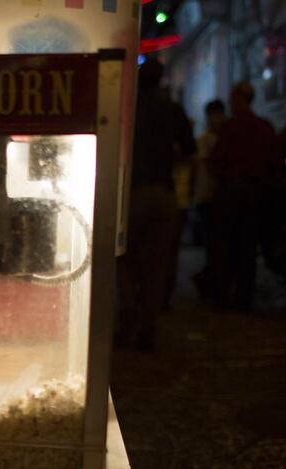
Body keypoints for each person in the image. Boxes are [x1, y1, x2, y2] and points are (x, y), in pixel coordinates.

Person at [117, 57, 196, 352]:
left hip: (131, 194)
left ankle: (127, 320)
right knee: (156, 264)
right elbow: (190, 150)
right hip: (164, 193)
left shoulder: (127, 110)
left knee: (125, 260)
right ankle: (149, 327)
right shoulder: (172, 109)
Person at [209, 82, 279, 310]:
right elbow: (273, 162)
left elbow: (217, 160)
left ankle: (223, 294)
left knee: (225, 244)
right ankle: (243, 297)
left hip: (232, 192)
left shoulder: (231, 128)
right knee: (247, 246)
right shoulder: (263, 127)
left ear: (238, 100)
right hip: (255, 193)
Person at [191, 99, 226, 301]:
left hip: (213, 196)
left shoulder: (222, 138)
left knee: (216, 244)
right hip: (206, 196)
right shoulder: (204, 140)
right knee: (212, 243)